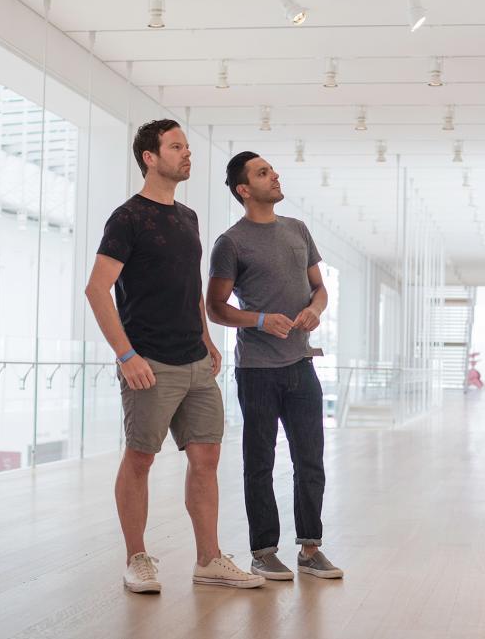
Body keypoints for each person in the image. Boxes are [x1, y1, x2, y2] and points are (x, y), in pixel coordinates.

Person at [84, 120, 264, 593]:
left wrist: (206, 338)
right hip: (149, 362)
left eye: (187, 147)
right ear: (150, 156)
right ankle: (137, 559)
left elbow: (188, 290)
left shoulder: (188, 218)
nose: (187, 154)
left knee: (206, 458)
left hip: (195, 363)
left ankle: (209, 559)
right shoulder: (127, 218)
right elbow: (97, 289)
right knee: (140, 459)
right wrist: (126, 356)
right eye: (176, 147)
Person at [206, 151, 344, 581]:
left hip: (301, 364)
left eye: (273, 170)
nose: (275, 176)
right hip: (257, 371)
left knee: (311, 459)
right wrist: (261, 320)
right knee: (259, 461)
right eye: (264, 173)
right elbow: (215, 307)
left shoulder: (298, 230)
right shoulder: (230, 242)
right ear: (244, 189)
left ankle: (309, 549)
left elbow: (319, 288)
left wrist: (316, 310)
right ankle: (263, 552)